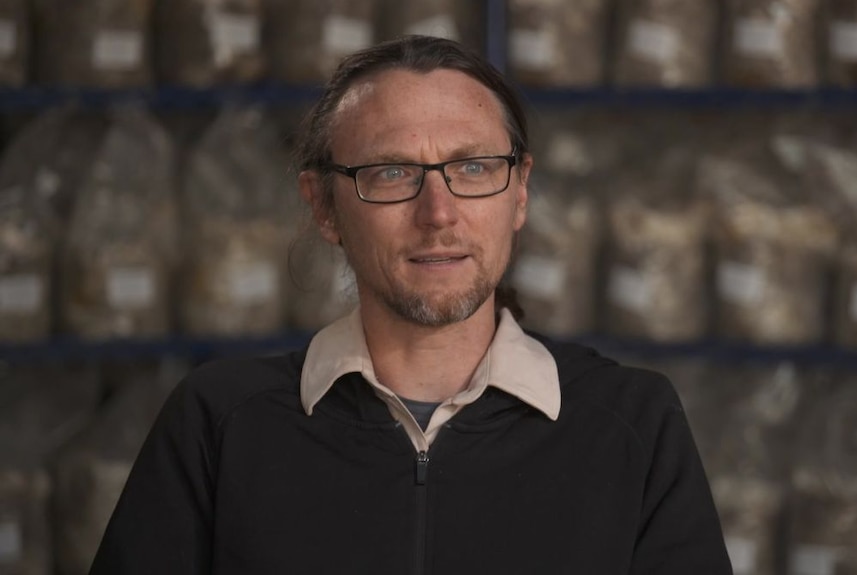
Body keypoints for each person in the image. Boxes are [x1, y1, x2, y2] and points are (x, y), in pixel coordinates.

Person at [90, 35, 731, 574]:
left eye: (474, 168)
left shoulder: (634, 425)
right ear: (324, 207)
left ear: (520, 193)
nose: (439, 214)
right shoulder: (221, 423)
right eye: (391, 173)